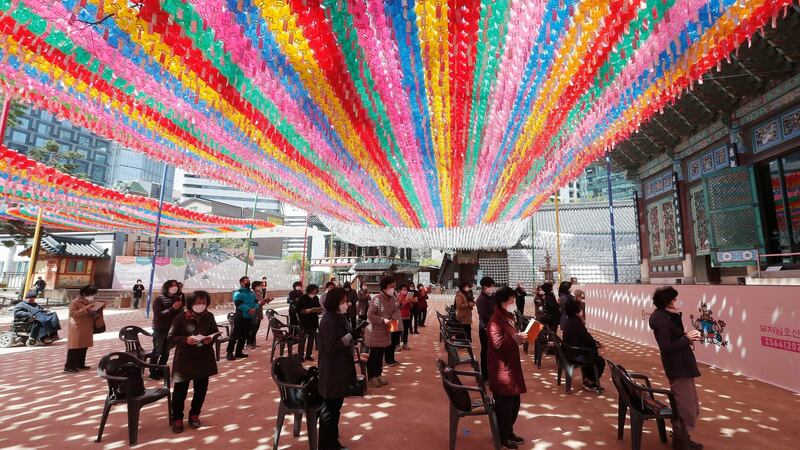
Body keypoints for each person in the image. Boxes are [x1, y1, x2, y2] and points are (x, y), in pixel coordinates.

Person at [650, 287, 703, 450]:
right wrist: (686, 338)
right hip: (678, 367)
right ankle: (681, 440)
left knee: (692, 404)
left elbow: (671, 339)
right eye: (674, 300)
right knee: (686, 407)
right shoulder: (662, 320)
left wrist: (684, 337)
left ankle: (683, 437)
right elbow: (666, 346)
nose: (677, 302)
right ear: (668, 302)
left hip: (682, 365)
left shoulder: (666, 316)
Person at [168, 290, 219, 433]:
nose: (200, 305)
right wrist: (186, 340)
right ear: (190, 304)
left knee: (201, 389)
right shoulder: (181, 317)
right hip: (185, 359)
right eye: (197, 303)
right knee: (180, 391)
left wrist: (211, 338)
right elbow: (171, 337)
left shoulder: (209, 316)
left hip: (204, 358)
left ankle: (194, 415)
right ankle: (177, 418)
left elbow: (214, 332)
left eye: (203, 302)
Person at [317, 287, 361, 450]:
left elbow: (346, 337)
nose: (346, 304)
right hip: (332, 371)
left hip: (340, 368)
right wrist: (351, 336)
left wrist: (354, 334)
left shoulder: (339, 317)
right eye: (342, 301)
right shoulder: (329, 320)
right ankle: (327, 445)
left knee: (335, 409)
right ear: (335, 302)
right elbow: (330, 347)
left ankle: (332, 441)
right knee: (329, 410)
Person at [486, 287, 527, 449]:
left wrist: (519, 337)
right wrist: (515, 339)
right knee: (504, 406)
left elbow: (510, 337)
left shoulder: (508, 317)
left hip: (511, 366)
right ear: (503, 302)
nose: (513, 304)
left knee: (514, 403)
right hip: (502, 369)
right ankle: (502, 436)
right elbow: (497, 344)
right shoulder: (495, 321)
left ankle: (508, 431)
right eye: (511, 301)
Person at [561, 298, 605, 391]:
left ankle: (587, 379)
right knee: (600, 361)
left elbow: (584, 337)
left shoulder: (569, 321)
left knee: (591, 354)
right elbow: (587, 338)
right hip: (575, 354)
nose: (582, 310)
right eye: (580, 308)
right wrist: (596, 344)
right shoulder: (576, 323)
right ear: (576, 310)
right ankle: (590, 382)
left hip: (570, 352)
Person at [364, 277, 398, 387]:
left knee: (380, 356)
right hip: (374, 333)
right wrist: (383, 320)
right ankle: (371, 377)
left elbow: (394, 312)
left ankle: (378, 375)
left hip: (385, 332)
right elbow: (369, 315)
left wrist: (392, 326)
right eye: (391, 286)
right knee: (373, 356)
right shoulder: (376, 299)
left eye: (394, 286)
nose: (393, 288)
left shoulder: (392, 298)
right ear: (384, 287)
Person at [64, 285, 103, 373]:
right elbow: (73, 314)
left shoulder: (87, 302)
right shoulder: (75, 302)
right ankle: (69, 366)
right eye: (91, 294)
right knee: (74, 348)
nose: (92, 297)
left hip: (86, 328)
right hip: (77, 328)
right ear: (85, 294)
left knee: (83, 346)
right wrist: (86, 309)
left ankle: (80, 364)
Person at [150, 280, 183, 379]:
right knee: (157, 350)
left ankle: (161, 370)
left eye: (176, 285)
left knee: (166, 351)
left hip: (171, 329)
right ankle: (153, 372)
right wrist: (172, 308)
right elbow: (159, 315)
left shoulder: (177, 299)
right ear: (167, 287)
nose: (174, 287)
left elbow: (180, 314)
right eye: (172, 285)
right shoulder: (159, 299)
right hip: (160, 328)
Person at [226, 276, 257, 360]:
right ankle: (229, 353)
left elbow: (256, 302)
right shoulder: (238, 293)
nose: (248, 282)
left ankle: (239, 352)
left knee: (244, 335)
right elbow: (238, 303)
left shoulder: (252, 293)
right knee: (235, 335)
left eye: (249, 281)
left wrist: (255, 308)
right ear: (241, 283)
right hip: (240, 316)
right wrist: (248, 309)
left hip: (249, 317)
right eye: (246, 281)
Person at [475, 276, 495, 381]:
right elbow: (484, 316)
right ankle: (485, 377)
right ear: (483, 287)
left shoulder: (493, 296)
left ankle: (492, 373)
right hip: (485, 329)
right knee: (485, 352)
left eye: (493, 286)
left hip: (494, 328)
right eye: (489, 286)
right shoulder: (481, 300)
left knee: (493, 353)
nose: (492, 288)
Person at [297, 284, 323, 361]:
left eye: (316, 290)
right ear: (309, 290)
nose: (314, 291)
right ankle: (300, 356)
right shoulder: (302, 298)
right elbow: (298, 309)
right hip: (304, 321)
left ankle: (308, 355)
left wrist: (319, 310)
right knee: (302, 340)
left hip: (313, 321)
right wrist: (305, 311)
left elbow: (318, 307)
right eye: (313, 290)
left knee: (311, 340)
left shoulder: (315, 298)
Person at [247, 281, 272, 349]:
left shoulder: (259, 293)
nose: (261, 287)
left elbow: (261, 302)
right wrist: (264, 302)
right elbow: (256, 303)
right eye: (260, 286)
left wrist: (266, 301)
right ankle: (249, 343)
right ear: (255, 286)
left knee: (256, 328)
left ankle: (253, 343)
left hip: (259, 312)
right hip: (255, 312)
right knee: (253, 329)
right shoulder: (253, 294)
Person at [398, 285, 413, 350]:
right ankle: (397, 344)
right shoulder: (399, 297)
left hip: (407, 316)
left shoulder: (408, 296)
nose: (405, 291)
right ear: (401, 290)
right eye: (403, 290)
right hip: (400, 316)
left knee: (406, 331)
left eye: (406, 290)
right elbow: (400, 307)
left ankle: (405, 344)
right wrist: (405, 302)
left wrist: (410, 302)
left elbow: (410, 306)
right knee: (398, 331)